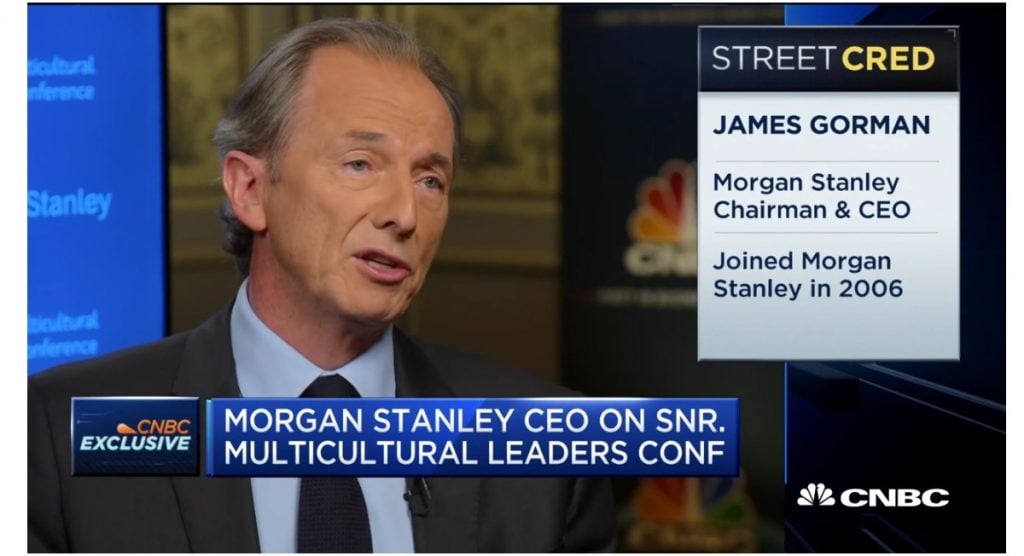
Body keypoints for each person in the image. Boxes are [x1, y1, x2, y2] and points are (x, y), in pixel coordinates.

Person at [28, 18, 615, 553]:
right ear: (250, 190)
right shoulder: (61, 431)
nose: (404, 215)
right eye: (360, 164)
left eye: (430, 180)